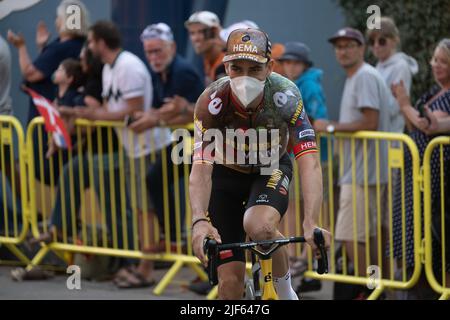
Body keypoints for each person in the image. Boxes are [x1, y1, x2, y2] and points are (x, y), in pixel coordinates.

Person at [190, 28, 331, 300]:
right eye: (236, 68)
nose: (244, 77)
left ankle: (286, 292)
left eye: (254, 68)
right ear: (225, 67)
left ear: (270, 68)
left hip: (270, 167)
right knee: (230, 285)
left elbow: (309, 161)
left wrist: (310, 221)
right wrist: (198, 220)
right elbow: (202, 167)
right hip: (225, 175)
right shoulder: (211, 101)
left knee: (261, 227)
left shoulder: (286, 95)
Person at [75, 20, 172, 287]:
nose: (90, 46)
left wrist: (94, 115)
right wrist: (93, 113)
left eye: (92, 41)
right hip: (133, 148)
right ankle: (143, 264)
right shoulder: (109, 68)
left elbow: (132, 109)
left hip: (148, 147)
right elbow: (111, 106)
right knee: (140, 209)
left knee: (146, 210)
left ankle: (146, 268)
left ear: (102, 42)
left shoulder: (128, 65)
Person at [314, 27, 392, 298]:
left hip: (363, 173)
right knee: (366, 238)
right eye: (339, 46)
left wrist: (330, 127)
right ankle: (376, 289)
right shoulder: (359, 76)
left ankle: (369, 290)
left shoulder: (364, 76)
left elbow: (369, 122)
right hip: (362, 172)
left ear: (361, 48)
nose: (343, 50)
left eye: (349, 45)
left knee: (349, 237)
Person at [391, 39, 450, 298]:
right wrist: (408, 109)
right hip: (416, 177)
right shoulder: (434, 92)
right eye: (435, 60)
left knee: (434, 236)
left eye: (443, 61)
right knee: (412, 233)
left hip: (436, 180)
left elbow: (430, 125)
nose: (435, 65)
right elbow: (419, 125)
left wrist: (404, 104)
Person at [7, 0, 88, 185]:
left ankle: (64, 214)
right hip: (61, 118)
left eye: (59, 18)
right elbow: (51, 69)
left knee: (49, 170)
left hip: (50, 120)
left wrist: (21, 47)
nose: (56, 22)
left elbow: (31, 72)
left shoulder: (62, 47)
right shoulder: (76, 45)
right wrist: (43, 48)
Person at [278, 41, 329, 293]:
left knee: (310, 213)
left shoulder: (308, 85)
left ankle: (307, 263)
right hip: (299, 156)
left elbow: (319, 121)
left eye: (295, 62)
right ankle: (306, 269)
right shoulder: (292, 85)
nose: (290, 66)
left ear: (305, 65)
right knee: (299, 211)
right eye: (287, 62)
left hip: (312, 158)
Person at [367, 16, 418, 133]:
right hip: (377, 136)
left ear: (394, 41)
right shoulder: (378, 66)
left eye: (382, 41)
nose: (376, 45)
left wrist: (369, 112)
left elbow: (395, 106)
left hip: (392, 135)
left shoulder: (401, 66)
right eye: (372, 41)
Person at [185, 11, 226, 85]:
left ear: (214, 32)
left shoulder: (229, 62)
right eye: (192, 33)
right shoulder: (207, 58)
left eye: (201, 32)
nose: (195, 38)